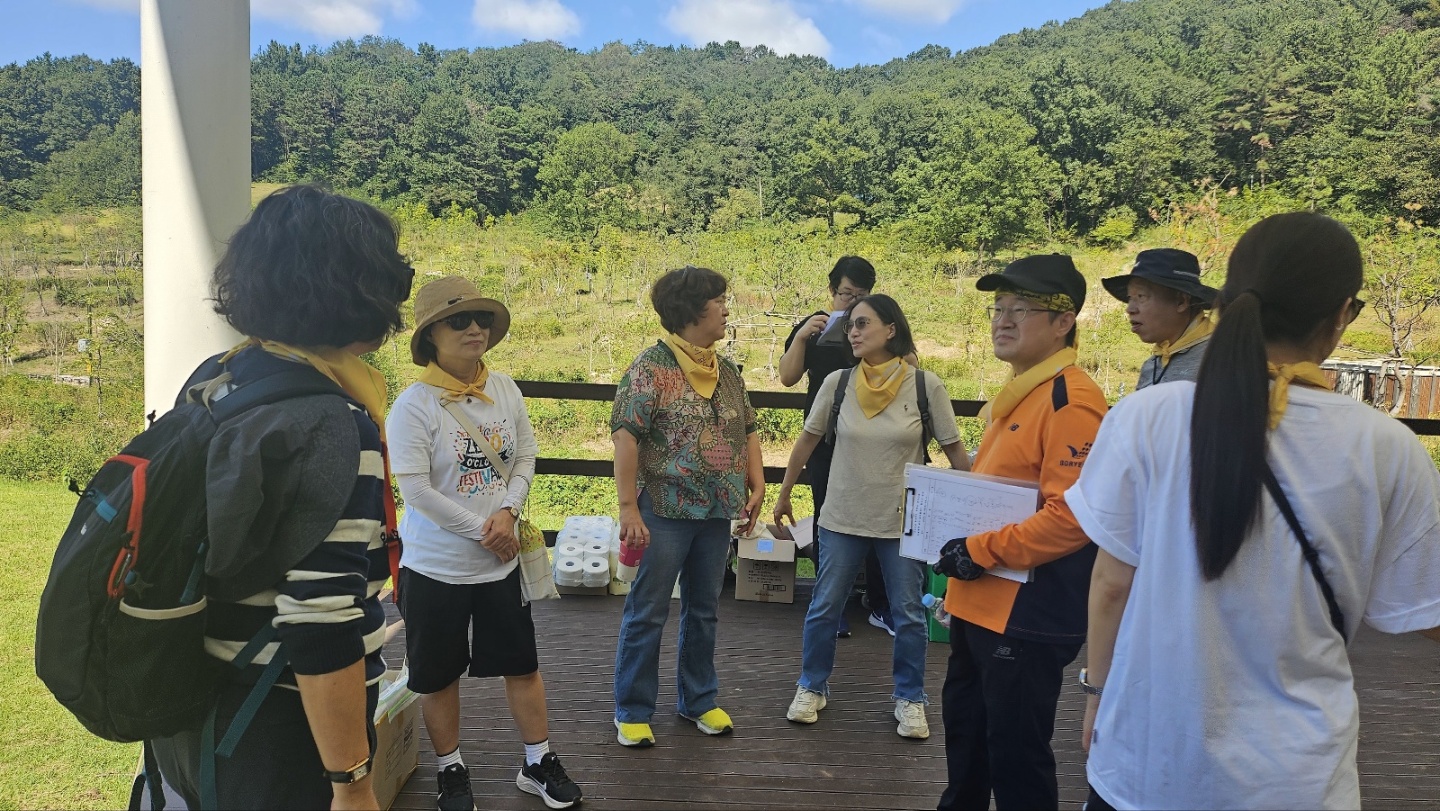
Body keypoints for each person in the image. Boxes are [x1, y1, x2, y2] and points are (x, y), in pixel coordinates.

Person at [1068, 212, 1440, 810]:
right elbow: (1423, 608)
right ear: (1342, 313)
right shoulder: (1386, 447)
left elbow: (1112, 582)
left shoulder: (1146, 417)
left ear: (1226, 299)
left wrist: (1096, 694)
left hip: (1146, 764)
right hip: (1294, 781)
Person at [149, 184, 409, 809]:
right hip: (275, 721)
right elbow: (321, 617)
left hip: (192, 699)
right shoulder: (331, 422)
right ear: (358, 288)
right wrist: (352, 782)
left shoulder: (222, 377)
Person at [386, 276, 582, 811]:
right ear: (431, 335)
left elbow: (525, 454)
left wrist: (508, 511)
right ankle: (451, 769)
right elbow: (416, 491)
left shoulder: (505, 389)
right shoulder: (414, 406)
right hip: (435, 567)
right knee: (437, 676)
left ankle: (537, 760)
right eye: (459, 320)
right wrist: (485, 532)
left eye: (482, 319)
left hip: (499, 566)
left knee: (522, 664)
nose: (475, 328)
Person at [933, 254, 1108, 811]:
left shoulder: (1071, 402)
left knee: (1016, 764)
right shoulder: (1022, 393)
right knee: (967, 751)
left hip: (1025, 615)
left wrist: (979, 551)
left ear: (1063, 322)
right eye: (998, 308)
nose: (1002, 320)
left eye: (1021, 309)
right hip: (979, 603)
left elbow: (1071, 517)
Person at [774, 294, 969, 739]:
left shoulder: (925, 386)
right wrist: (784, 494)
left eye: (863, 323)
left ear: (891, 330)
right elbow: (807, 441)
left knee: (908, 613)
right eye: (851, 326)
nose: (853, 332)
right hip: (841, 517)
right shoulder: (839, 383)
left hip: (901, 523)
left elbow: (954, 449)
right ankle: (812, 686)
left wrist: (975, 511)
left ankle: (910, 698)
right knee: (824, 607)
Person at [611, 265, 765, 748]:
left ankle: (698, 699)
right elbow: (625, 437)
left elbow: (748, 428)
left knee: (704, 609)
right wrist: (628, 509)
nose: (726, 310)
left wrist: (757, 480)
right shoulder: (650, 368)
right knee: (648, 611)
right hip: (664, 510)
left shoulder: (727, 371)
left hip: (717, 511)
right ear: (692, 310)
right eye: (719, 301)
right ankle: (633, 709)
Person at [779, 256, 911, 637]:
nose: (852, 303)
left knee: (883, 517)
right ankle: (830, 604)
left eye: (860, 295)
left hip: (877, 442)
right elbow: (787, 377)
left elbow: (911, 366)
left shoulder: (878, 327)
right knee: (827, 517)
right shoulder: (814, 327)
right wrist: (802, 336)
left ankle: (880, 603)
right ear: (832, 290)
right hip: (826, 440)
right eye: (846, 294)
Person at [1100, 248, 1218, 390]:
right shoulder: (1151, 367)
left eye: (1141, 296)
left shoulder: (1220, 358)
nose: (1130, 309)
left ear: (1181, 301)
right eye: (1130, 298)